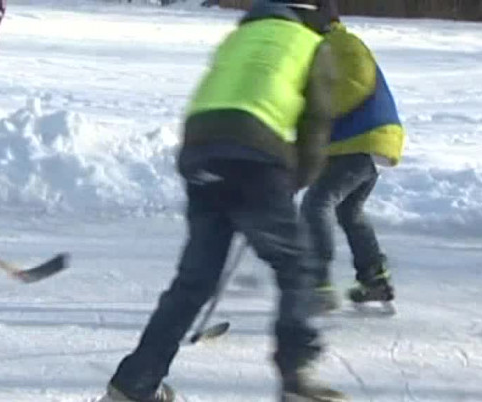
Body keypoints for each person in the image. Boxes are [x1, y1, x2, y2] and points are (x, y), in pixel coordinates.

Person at [100, 1, 343, 401]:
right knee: (298, 265)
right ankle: (296, 378)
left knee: (194, 281)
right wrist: (296, 179)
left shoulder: (241, 35)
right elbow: (316, 127)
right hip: (257, 157)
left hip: (201, 153)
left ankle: (134, 384)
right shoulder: (309, 44)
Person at [300, 10, 406, 312]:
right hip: (363, 141)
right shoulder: (330, 44)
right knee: (349, 210)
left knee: (317, 203)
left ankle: (318, 283)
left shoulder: (339, 44)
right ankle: (375, 279)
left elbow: (350, 88)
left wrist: (309, 112)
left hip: (362, 138)